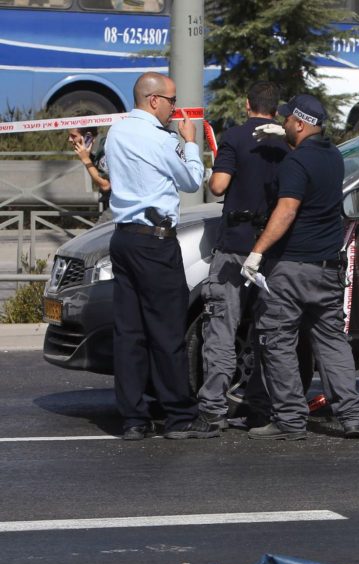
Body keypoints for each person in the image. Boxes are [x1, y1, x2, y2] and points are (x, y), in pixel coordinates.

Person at [242, 94, 359, 441]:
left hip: (291, 267)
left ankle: (290, 420)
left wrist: (257, 252)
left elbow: (286, 212)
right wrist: (284, 141)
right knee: (331, 340)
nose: (282, 123)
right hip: (328, 267)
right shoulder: (333, 157)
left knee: (278, 340)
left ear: (299, 123)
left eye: (286, 121)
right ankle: (351, 416)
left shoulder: (294, 165)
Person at [104, 72, 219, 440]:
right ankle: (180, 417)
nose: (175, 108)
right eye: (171, 101)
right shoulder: (161, 138)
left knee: (129, 333)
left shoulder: (116, 132)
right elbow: (189, 181)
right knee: (166, 331)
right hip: (155, 242)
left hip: (123, 239)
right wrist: (189, 143)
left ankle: (134, 419)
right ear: (153, 101)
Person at [197, 81, 290, 430]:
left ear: (247, 104)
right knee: (267, 333)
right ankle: (260, 407)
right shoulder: (286, 143)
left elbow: (219, 185)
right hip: (272, 250)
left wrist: (211, 171)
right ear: (276, 110)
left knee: (222, 328)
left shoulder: (234, 138)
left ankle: (213, 411)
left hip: (235, 248)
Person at [68, 126, 112, 223]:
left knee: (98, 236)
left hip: (118, 204)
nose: (70, 140)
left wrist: (85, 159)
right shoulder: (94, 150)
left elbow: (105, 185)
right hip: (112, 202)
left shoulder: (104, 148)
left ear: (88, 137)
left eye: (73, 136)